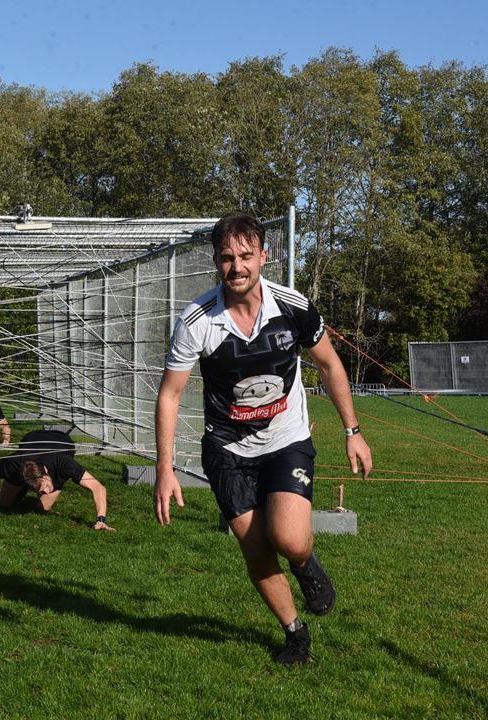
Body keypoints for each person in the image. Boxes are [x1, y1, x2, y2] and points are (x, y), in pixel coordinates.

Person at [153, 212, 372, 666]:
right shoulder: (196, 321)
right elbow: (170, 395)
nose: (237, 267)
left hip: (286, 437)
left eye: (246, 256)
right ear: (216, 261)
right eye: (227, 257)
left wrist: (353, 432)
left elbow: (329, 365)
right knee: (255, 550)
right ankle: (295, 633)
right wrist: (165, 469)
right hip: (227, 448)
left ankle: (305, 563)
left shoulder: (292, 307)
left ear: (263, 257)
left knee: (290, 540)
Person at [0, 429, 114, 531]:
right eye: (40, 490)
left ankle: (29, 490)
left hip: (61, 441)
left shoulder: (64, 463)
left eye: (46, 486)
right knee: (4, 504)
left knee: (43, 508)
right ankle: (19, 489)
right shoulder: (14, 463)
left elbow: (98, 488)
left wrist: (101, 520)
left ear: (46, 472)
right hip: (31, 438)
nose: (46, 491)